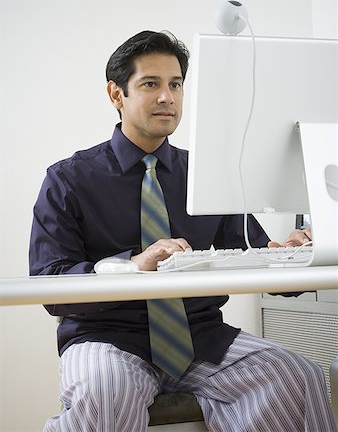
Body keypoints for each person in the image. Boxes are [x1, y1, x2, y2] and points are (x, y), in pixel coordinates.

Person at [29, 30, 336, 432]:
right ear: (116, 94)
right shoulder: (67, 180)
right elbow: (50, 284)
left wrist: (294, 254)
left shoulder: (210, 176)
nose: (166, 98)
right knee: (105, 392)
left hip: (201, 339)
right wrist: (131, 267)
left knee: (299, 377)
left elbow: (258, 255)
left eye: (175, 85)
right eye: (150, 84)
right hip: (106, 339)